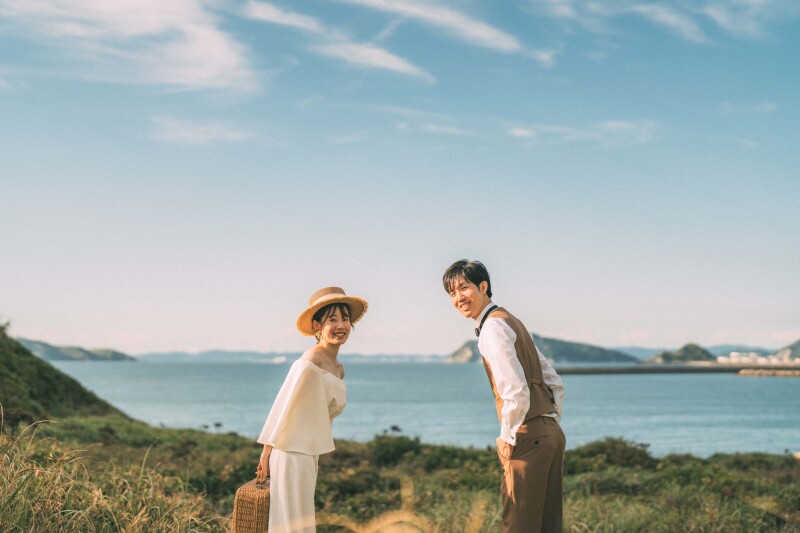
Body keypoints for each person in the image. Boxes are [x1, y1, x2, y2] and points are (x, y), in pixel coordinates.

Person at [443, 260, 566, 533]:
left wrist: (508, 438)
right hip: (551, 434)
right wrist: (551, 420)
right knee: (549, 526)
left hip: (527, 435)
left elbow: (515, 390)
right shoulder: (511, 321)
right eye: (452, 293)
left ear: (483, 286)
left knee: (518, 526)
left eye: (464, 288)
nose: (458, 297)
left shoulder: (492, 329)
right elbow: (554, 381)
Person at [254, 287, 367, 533]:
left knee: (301, 519)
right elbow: (282, 405)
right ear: (317, 326)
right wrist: (266, 453)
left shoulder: (339, 368)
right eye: (332, 320)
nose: (341, 325)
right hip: (290, 451)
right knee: (291, 521)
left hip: (309, 452)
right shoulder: (309, 361)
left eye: (345, 319)